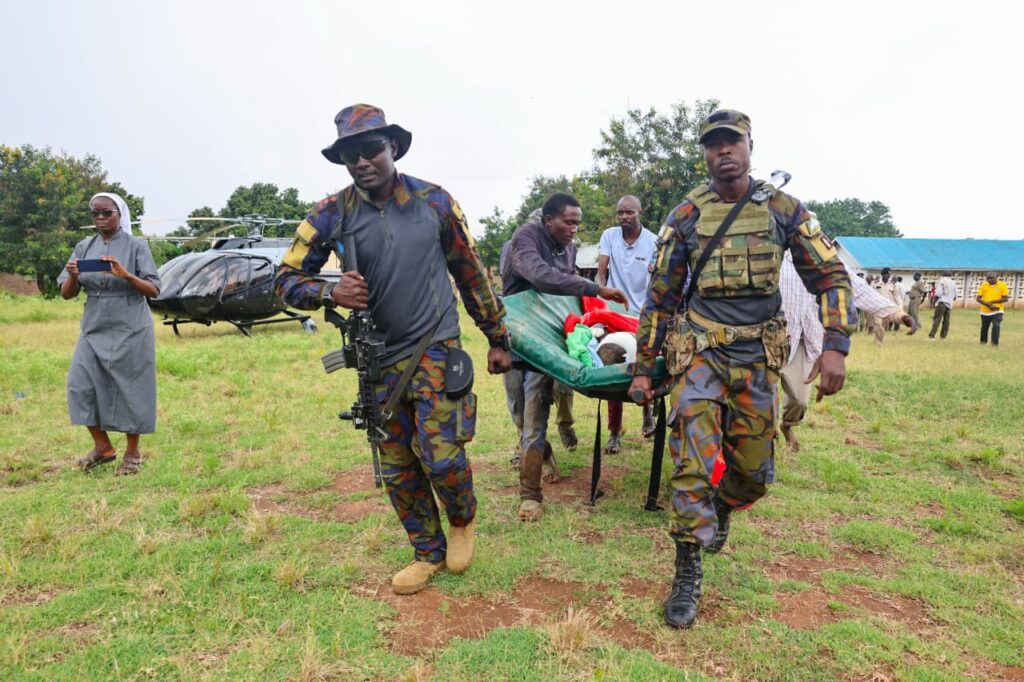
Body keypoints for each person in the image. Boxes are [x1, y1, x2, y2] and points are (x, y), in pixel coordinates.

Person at [628, 110, 857, 629]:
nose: (722, 152)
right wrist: (644, 368)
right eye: (712, 145)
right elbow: (659, 300)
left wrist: (835, 345)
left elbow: (831, 277)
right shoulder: (685, 215)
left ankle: (725, 506)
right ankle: (687, 567)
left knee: (753, 474)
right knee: (691, 464)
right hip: (701, 354)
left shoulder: (784, 209)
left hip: (757, 357)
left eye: (732, 142)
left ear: (751, 145)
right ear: (705, 154)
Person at [275, 104, 513, 595]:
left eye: (370, 151)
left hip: (436, 346)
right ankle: (427, 551)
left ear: (393, 149)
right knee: (398, 464)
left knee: (442, 455)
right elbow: (283, 279)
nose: (361, 163)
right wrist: (328, 291)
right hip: (376, 357)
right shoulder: (330, 212)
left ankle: (462, 520)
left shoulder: (434, 202)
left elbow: (470, 270)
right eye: (349, 156)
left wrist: (496, 337)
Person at [502, 192, 627, 522]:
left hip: (546, 346)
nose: (574, 229)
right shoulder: (525, 239)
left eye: (577, 223)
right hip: (514, 339)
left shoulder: (569, 248)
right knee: (518, 413)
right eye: (568, 222)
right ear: (548, 221)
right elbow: (541, 276)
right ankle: (544, 455)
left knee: (534, 417)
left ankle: (531, 496)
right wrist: (596, 288)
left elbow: (568, 289)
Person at [58, 192, 161, 475]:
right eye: (95, 213)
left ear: (120, 214)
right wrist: (74, 275)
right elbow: (66, 294)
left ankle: (133, 452)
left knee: (131, 387)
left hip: (130, 324)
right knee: (80, 385)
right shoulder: (83, 246)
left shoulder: (136, 247)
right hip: (94, 325)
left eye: (107, 213)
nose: (101, 218)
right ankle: (103, 447)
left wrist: (125, 275)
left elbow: (154, 289)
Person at [779, 253, 914, 451]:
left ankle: (787, 425)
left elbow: (857, 289)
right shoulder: (769, 252)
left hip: (805, 340)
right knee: (760, 400)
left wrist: (896, 313)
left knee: (799, 400)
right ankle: (762, 442)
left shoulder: (821, 255)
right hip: (767, 339)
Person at [596, 195, 658, 453]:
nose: (624, 217)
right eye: (620, 213)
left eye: (629, 213)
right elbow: (602, 270)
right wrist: (602, 292)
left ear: (640, 212)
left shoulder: (653, 241)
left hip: (642, 317)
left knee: (642, 367)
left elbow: (656, 279)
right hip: (613, 314)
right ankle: (614, 433)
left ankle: (647, 415)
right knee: (614, 371)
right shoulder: (609, 236)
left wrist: (651, 311)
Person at [976, 271, 1009, 347]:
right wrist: (988, 304)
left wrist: (992, 302)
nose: (990, 280)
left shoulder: (1002, 285)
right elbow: (978, 298)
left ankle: (994, 344)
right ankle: (983, 342)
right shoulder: (984, 285)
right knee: (984, 327)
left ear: (996, 277)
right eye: (988, 278)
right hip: (985, 310)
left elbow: (1005, 298)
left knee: (996, 325)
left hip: (997, 310)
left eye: (992, 278)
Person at [929, 270, 958, 340]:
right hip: (949, 304)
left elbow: (938, 293)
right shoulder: (953, 282)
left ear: (943, 275)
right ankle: (943, 337)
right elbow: (955, 295)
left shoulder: (941, 281)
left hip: (941, 302)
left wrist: (934, 302)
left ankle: (932, 336)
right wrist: (950, 300)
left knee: (937, 319)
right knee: (946, 321)